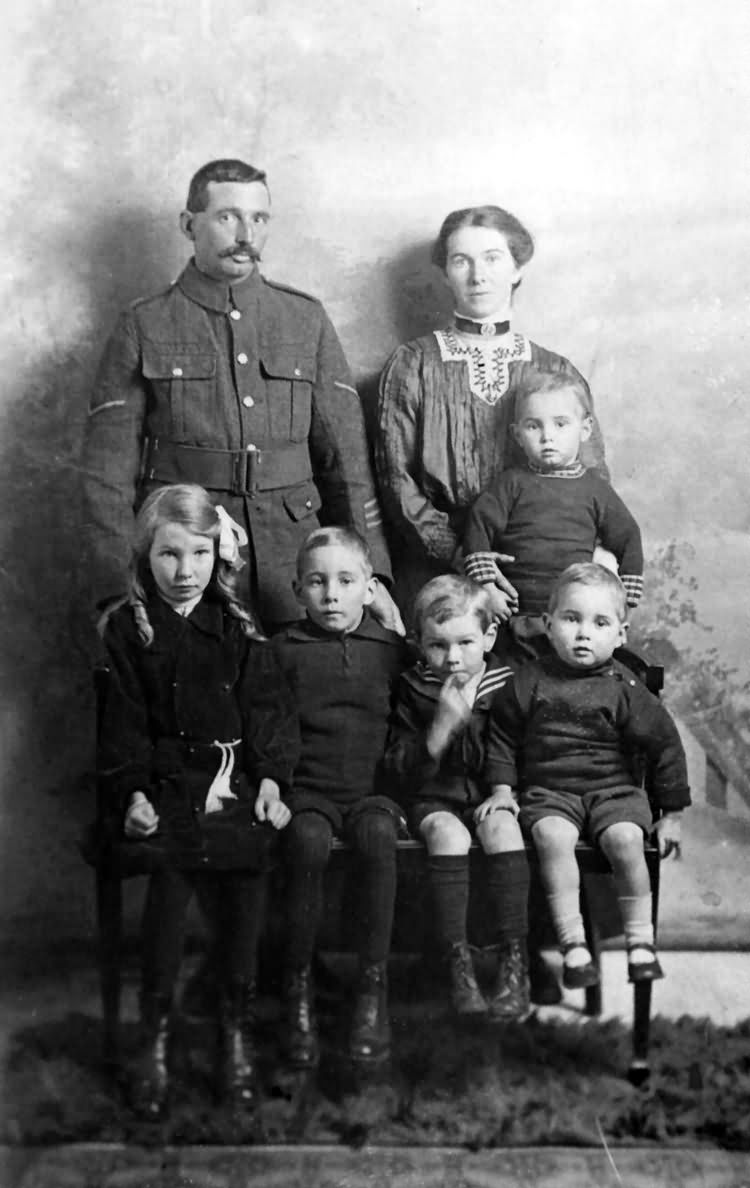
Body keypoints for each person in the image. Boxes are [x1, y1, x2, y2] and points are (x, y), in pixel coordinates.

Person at [81, 157, 400, 633]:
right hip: (189, 557)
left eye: (259, 218)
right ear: (189, 225)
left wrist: (370, 575)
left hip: (296, 556)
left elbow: (347, 464)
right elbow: (106, 477)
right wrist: (119, 586)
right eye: (227, 216)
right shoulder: (144, 324)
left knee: (300, 693)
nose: (245, 233)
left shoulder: (304, 318)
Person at [96, 484, 298, 1118]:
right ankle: (152, 1034)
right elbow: (121, 725)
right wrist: (131, 794)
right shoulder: (127, 631)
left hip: (230, 783)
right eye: (169, 556)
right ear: (143, 558)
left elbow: (267, 714)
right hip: (160, 786)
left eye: (200, 555)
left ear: (220, 554)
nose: (186, 573)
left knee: (248, 871)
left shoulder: (235, 625)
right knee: (169, 874)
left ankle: (233, 1029)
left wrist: (269, 780)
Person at [375, 204, 608, 615]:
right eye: (461, 261)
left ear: (517, 268)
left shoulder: (554, 370)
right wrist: (466, 557)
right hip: (439, 569)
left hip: (541, 569)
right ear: (446, 272)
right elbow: (397, 480)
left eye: (492, 258)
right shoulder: (414, 364)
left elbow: (592, 479)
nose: (478, 275)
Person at [487, 562, 689, 989]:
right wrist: (503, 788)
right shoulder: (529, 681)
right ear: (547, 624)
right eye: (571, 619)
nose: (583, 633)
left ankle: (640, 941)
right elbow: (501, 735)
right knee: (552, 838)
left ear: (620, 634)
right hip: (550, 792)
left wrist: (671, 814)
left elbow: (665, 743)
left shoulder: (624, 687)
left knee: (626, 839)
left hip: (612, 792)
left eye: (600, 623)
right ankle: (572, 944)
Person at [271, 526, 408, 1070]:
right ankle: (297, 990)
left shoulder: (391, 650)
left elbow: (406, 727)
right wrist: (278, 786)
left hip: (372, 793)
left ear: (369, 588)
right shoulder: (284, 650)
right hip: (308, 792)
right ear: (297, 589)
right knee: (305, 841)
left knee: (377, 837)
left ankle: (371, 991)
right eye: (317, 582)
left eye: (346, 581)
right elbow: (271, 726)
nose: (331, 594)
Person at [384, 575, 530, 1020]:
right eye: (437, 646)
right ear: (419, 643)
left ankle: (514, 962)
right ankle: (458, 962)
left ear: (488, 637)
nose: (452, 658)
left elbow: (527, 750)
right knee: (447, 834)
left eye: (465, 642)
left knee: (503, 827)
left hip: (495, 796)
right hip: (434, 799)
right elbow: (396, 767)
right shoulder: (412, 688)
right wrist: (439, 731)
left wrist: (506, 792)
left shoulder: (509, 685)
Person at [463, 370, 643, 646]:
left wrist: (624, 600)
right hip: (514, 613)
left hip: (573, 619)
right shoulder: (511, 483)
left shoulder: (595, 489)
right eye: (533, 426)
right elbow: (478, 528)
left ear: (585, 429)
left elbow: (628, 536)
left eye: (560, 424)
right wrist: (488, 588)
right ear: (517, 434)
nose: (547, 436)